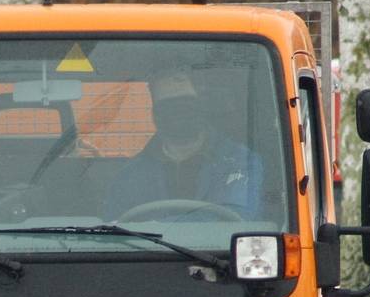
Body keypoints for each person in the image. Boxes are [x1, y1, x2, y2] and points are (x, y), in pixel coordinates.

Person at [104, 68, 273, 222]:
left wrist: (156, 228)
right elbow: (114, 231)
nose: (178, 113)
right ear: (156, 114)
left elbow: (238, 217)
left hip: (220, 255)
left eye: (185, 103)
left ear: (200, 107)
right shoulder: (130, 176)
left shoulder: (239, 161)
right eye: (169, 106)